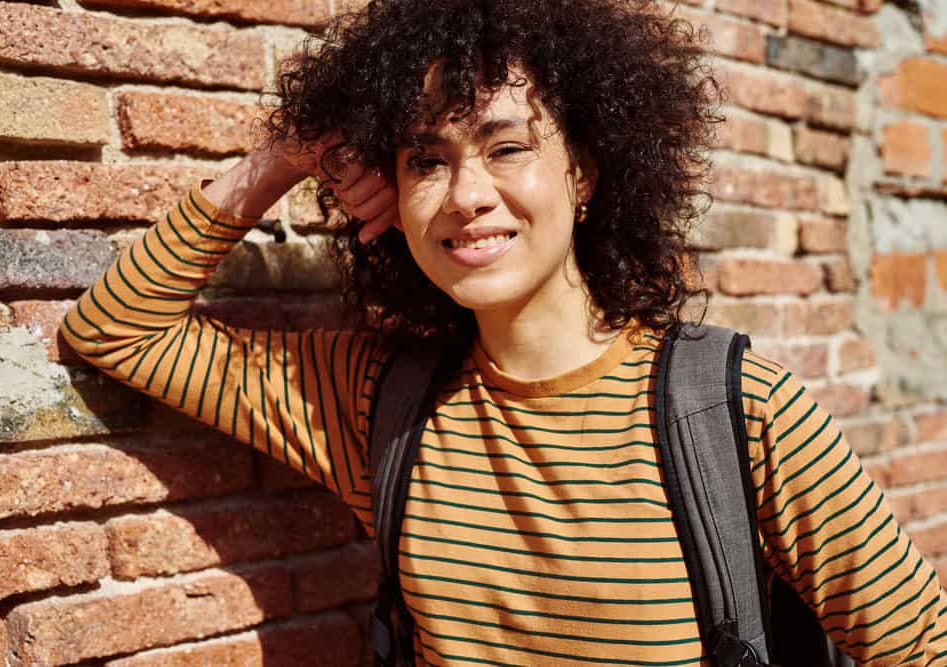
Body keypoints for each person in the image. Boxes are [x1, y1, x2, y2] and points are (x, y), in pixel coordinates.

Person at [61, 0, 947, 664]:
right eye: (425, 161)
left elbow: (915, 646)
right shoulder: (379, 403)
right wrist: (288, 155)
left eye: (506, 147)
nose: (467, 193)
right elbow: (117, 331)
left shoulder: (732, 409)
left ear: (586, 170)